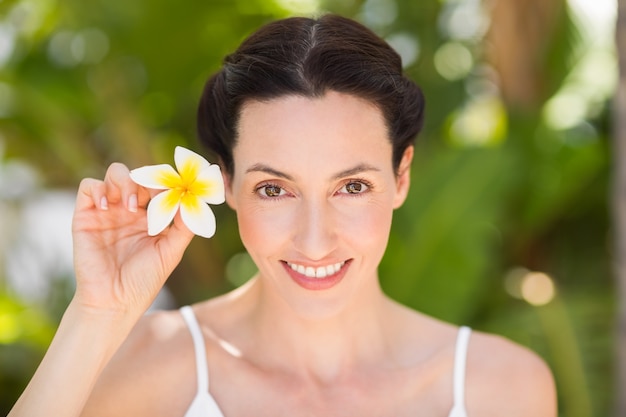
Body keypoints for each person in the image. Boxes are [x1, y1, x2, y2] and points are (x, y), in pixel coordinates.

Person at [9, 14, 556, 417]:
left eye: (353, 186)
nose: (314, 241)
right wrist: (96, 316)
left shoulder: (502, 388)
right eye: (274, 189)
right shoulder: (144, 374)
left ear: (402, 178)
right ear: (225, 184)